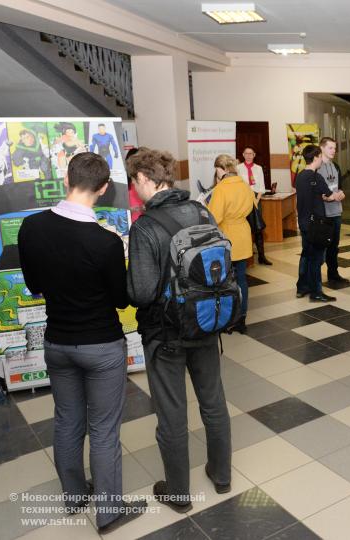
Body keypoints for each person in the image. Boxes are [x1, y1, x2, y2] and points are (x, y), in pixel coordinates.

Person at [17, 152, 146, 533]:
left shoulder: (31, 227)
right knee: (104, 430)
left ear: (66, 180)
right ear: (104, 189)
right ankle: (109, 512)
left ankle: (74, 496)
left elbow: (34, 285)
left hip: (57, 342)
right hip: (101, 346)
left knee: (66, 420)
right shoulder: (104, 241)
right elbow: (121, 299)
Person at [127, 147, 232, 513]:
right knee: (213, 401)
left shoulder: (144, 226)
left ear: (143, 179)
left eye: (133, 182)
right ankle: (221, 476)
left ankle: (178, 493)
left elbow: (140, 292)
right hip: (206, 321)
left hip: (166, 334)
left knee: (172, 413)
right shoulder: (201, 210)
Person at [208, 154, 256, 333]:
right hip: (243, 233)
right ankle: (242, 318)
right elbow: (252, 207)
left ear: (223, 169)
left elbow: (215, 217)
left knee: (225, 281)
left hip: (226, 236)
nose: (217, 173)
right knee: (241, 278)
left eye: (217, 170)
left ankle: (229, 319)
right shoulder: (244, 185)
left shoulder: (221, 189)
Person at [295, 144, 344, 301]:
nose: (321, 159)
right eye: (320, 156)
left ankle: (304, 287)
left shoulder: (300, 176)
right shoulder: (316, 177)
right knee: (316, 259)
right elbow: (329, 195)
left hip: (303, 223)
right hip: (316, 224)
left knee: (307, 255)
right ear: (316, 157)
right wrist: (338, 195)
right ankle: (316, 292)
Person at [318, 137, 349, 285]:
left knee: (334, 247)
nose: (334, 151)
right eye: (330, 148)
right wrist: (328, 198)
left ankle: (333, 274)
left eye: (334, 149)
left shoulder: (335, 166)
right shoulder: (317, 167)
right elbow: (316, 192)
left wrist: (341, 194)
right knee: (320, 248)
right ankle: (314, 279)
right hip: (323, 214)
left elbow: (339, 186)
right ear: (322, 148)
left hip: (336, 212)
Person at [237, 146, 272, 265]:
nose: (248, 155)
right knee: (245, 228)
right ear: (243, 154)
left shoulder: (258, 168)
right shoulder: (238, 168)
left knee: (258, 228)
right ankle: (246, 257)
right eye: (246, 153)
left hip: (256, 198)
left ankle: (262, 256)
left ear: (254, 155)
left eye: (250, 153)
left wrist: (256, 200)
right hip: (243, 199)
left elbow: (261, 185)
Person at [125, 147, 143, 223]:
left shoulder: (145, 180)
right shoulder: (124, 182)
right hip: (131, 223)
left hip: (146, 222)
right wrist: (130, 210)